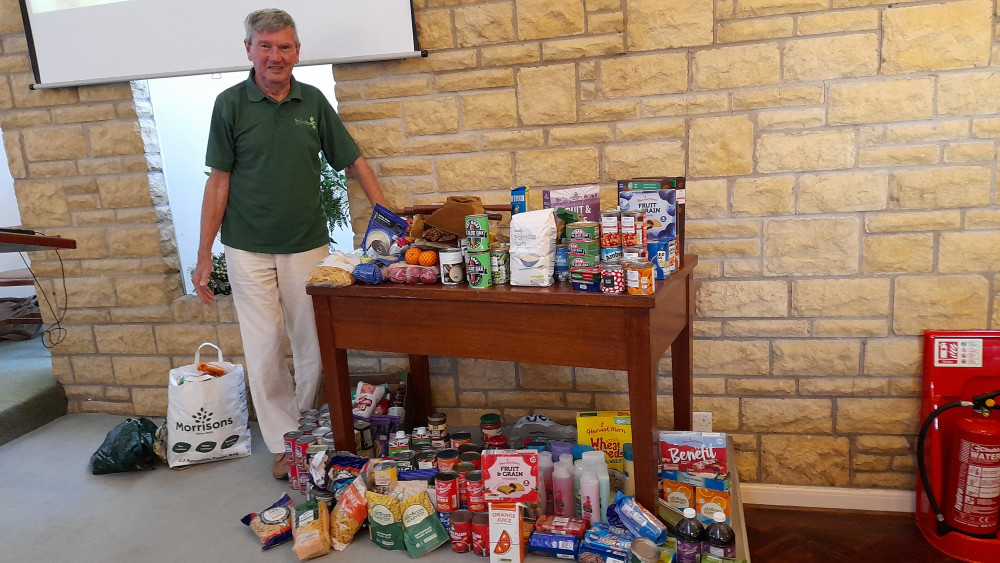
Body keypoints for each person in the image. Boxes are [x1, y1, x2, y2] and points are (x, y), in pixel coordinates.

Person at [192, 8, 387, 480]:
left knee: (313, 344)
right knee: (262, 348)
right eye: (265, 46)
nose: (275, 56)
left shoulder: (313, 102)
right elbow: (218, 182)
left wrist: (387, 215)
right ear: (249, 50)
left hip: (306, 245)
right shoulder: (229, 104)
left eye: (284, 47)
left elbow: (353, 161)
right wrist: (203, 256)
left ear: (297, 52)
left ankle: (306, 426)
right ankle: (283, 443)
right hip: (246, 247)